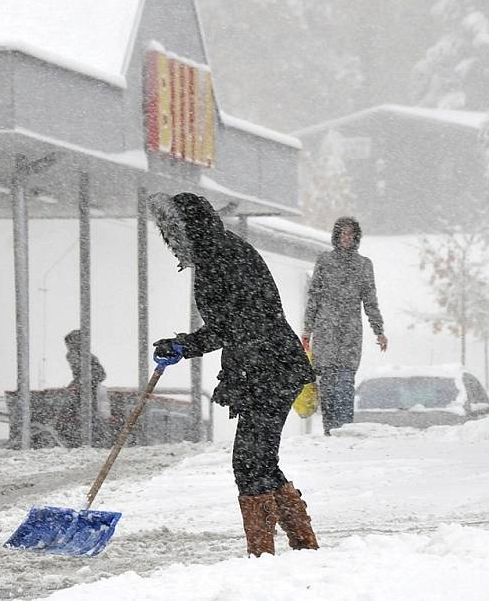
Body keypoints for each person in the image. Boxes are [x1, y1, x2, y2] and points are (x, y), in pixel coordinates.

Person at [148, 191, 319, 557]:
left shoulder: (225, 258)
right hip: (260, 366)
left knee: (250, 461)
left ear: (190, 229)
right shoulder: (217, 254)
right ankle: (301, 545)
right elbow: (233, 325)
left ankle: (262, 555)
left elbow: (238, 324)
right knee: (258, 460)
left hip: (270, 367)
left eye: (174, 233)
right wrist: (184, 344)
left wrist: (185, 345)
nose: (171, 242)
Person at [302, 216, 387, 435]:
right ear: (336, 236)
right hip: (325, 333)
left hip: (350, 335)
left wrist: (378, 330)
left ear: (356, 237)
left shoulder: (364, 265)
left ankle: (344, 430)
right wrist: (307, 330)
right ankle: (330, 430)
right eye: (343, 234)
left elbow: (370, 300)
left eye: (350, 234)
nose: (346, 238)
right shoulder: (324, 261)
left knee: (345, 384)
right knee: (328, 387)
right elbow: (314, 297)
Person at [61, 329, 108, 447]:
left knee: (88, 415)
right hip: (81, 391)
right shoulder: (73, 355)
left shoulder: (88, 357)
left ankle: (92, 441)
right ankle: (79, 440)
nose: (69, 348)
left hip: (88, 391)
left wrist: (85, 381)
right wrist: (76, 383)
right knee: (72, 414)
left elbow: (101, 375)